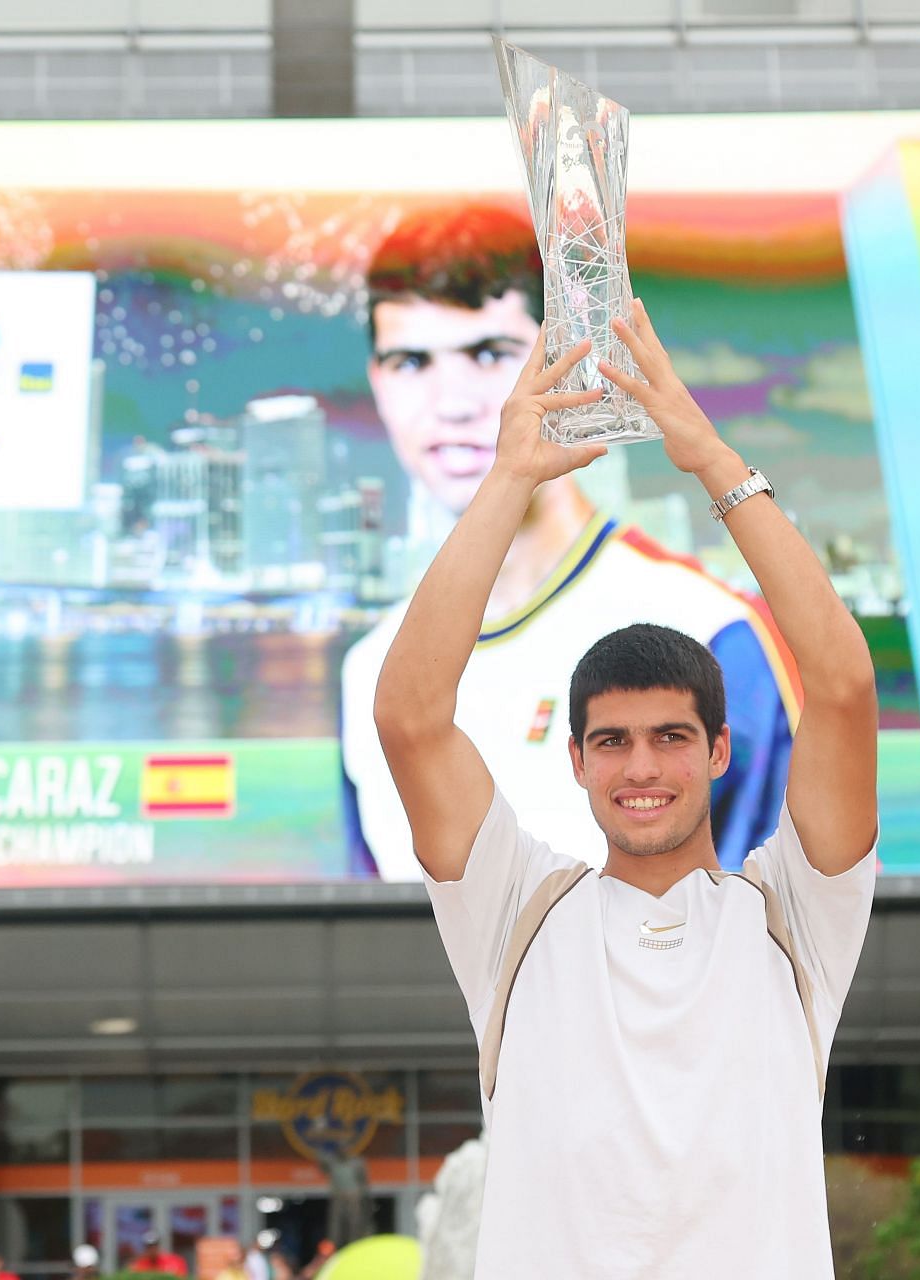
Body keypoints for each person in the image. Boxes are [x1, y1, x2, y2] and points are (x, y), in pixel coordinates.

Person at [373, 304, 878, 1273]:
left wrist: (709, 457)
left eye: (670, 737)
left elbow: (845, 687)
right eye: (612, 740)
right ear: (576, 759)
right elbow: (409, 718)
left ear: (720, 749)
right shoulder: (515, 909)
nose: (642, 766)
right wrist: (510, 474)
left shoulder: (794, 912)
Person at [341, 204, 799, 881]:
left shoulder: (709, 630)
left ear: (572, 360)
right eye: (411, 362)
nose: (452, 403)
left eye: (490, 354)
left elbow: (784, 930)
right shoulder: (372, 673)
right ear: (379, 383)